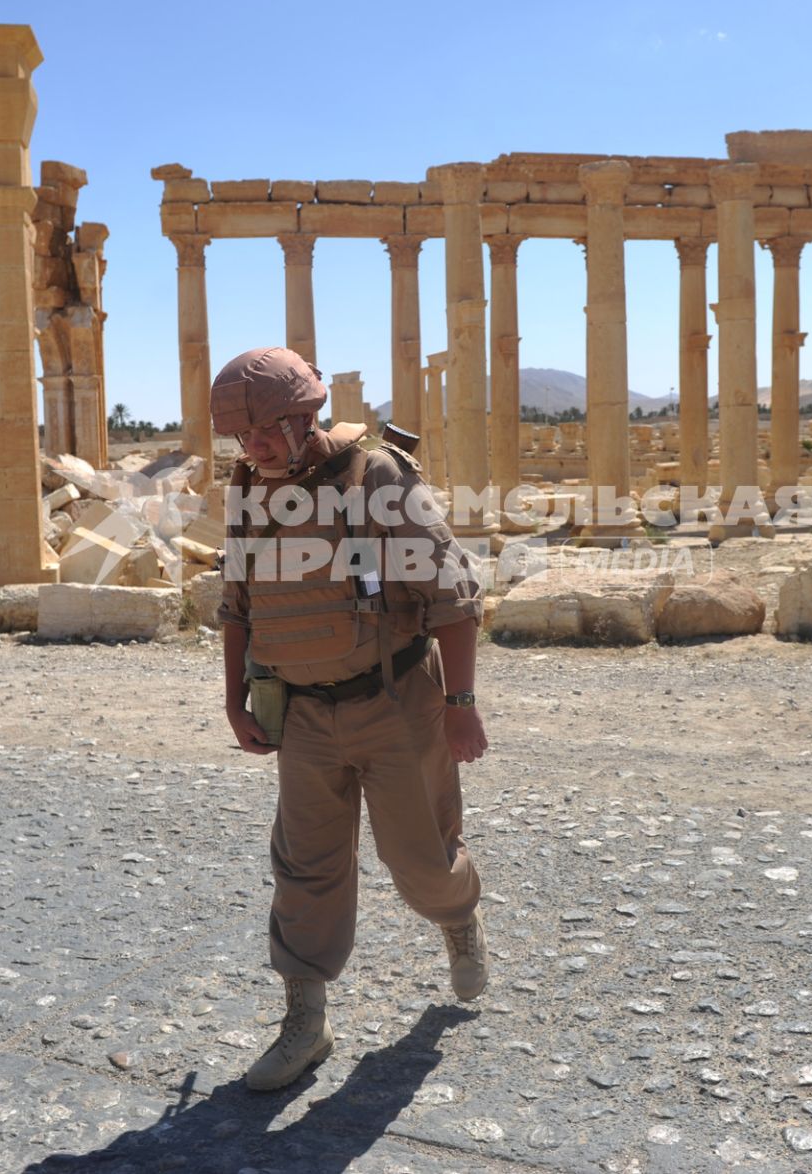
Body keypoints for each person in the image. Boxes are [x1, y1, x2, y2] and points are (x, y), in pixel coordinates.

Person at [211, 346, 489, 1092]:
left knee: (422, 862)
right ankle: (305, 1021)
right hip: (299, 714)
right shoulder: (249, 486)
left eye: (265, 432)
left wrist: (460, 706)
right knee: (304, 871)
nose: (253, 448)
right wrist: (235, 698)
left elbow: (453, 598)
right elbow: (237, 600)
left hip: (394, 705)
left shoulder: (378, 478)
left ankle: (458, 916)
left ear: (305, 417)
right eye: (242, 437)